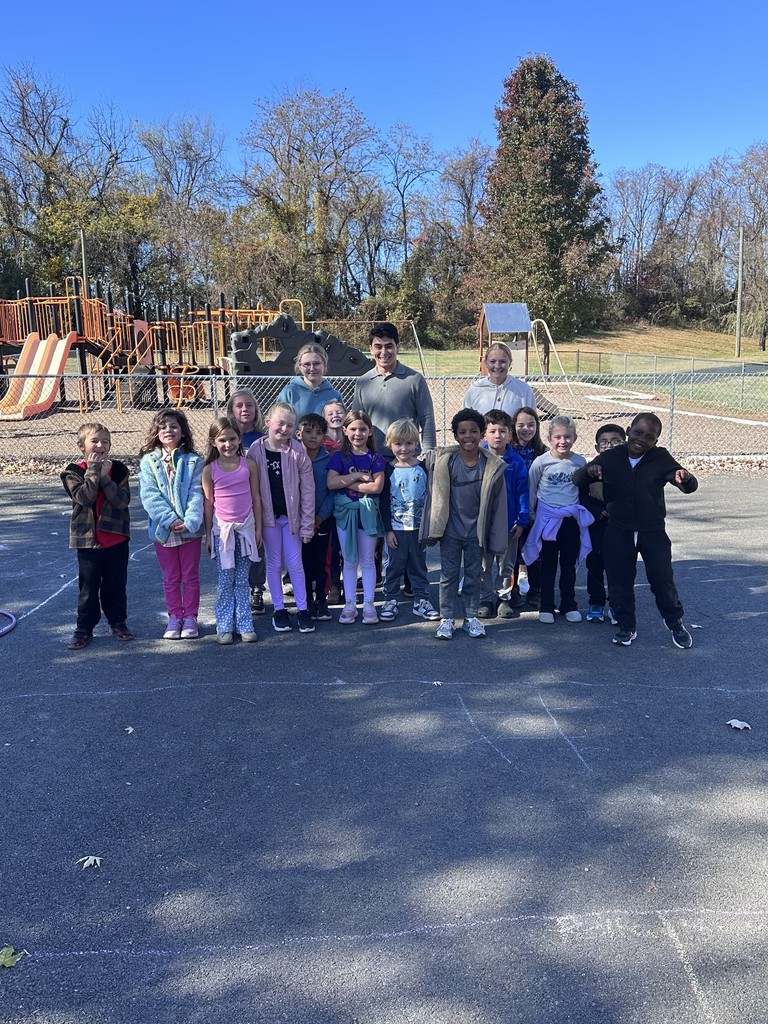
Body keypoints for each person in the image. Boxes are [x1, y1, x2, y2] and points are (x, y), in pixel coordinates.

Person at [574, 413, 698, 649]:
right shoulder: (610, 457)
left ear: (656, 441)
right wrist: (589, 472)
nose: (641, 439)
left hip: (652, 531)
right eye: (638, 433)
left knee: (662, 580)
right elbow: (577, 478)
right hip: (618, 530)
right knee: (620, 581)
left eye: (649, 437)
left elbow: (684, 482)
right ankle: (626, 625)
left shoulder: (660, 458)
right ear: (629, 430)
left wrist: (685, 478)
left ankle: (675, 623)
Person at [420, 408, 508, 640]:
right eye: (462, 432)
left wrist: (496, 536)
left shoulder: (492, 467)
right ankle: (447, 618)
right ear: (455, 435)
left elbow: (499, 506)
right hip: (450, 531)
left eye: (473, 431)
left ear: (481, 435)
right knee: (448, 576)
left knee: (473, 575)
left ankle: (471, 617)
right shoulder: (445, 462)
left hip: (475, 533)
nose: (468, 436)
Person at [61, 422, 134, 650]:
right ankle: (84, 628)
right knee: (88, 587)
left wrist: (105, 477)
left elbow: (122, 501)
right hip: (88, 541)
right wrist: (94, 471)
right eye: (94, 441)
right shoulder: (73, 471)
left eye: (105, 441)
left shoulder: (119, 470)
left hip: (116, 539)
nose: (100, 445)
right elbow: (85, 498)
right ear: (81, 445)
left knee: (115, 584)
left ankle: (118, 622)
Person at [247, 402, 316, 634]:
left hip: (292, 520)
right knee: (274, 564)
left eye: (289, 425)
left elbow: (307, 491)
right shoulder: (255, 451)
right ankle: (279, 609)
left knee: (296, 564)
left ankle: (303, 609)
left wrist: (307, 525)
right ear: (268, 421)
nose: (284, 429)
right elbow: (249, 490)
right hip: (268, 520)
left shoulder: (297, 452)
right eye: (280, 423)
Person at [138, 408, 205, 640]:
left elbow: (198, 493)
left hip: (189, 530)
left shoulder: (194, 461)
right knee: (171, 576)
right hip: (164, 530)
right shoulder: (148, 462)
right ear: (156, 432)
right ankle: (175, 616)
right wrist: (170, 519)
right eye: (163, 426)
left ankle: (191, 618)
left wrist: (191, 521)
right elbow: (149, 495)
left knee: (190, 575)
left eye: (174, 426)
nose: (169, 430)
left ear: (183, 432)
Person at [522, 416, 594, 625]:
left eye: (567, 437)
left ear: (575, 438)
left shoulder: (579, 462)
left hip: (570, 520)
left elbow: (582, 490)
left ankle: (568, 604)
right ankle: (546, 605)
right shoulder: (541, 462)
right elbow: (531, 489)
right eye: (558, 437)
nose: (563, 441)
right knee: (548, 564)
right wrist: (532, 515)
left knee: (568, 565)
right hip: (547, 520)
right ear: (549, 438)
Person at [202, 417, 262, 645]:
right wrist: (209, 534)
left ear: (240, 439)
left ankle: (245, 624)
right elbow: (209, 504)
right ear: (214, 442)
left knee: (242, 581)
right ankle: (224, 626)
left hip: (245, 531)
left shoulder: (249, 465)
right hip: (223, 533)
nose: (228, 444)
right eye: (222, 440)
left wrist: (257, 529)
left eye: (232, 439)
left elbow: (256, 497)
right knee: (226, 580)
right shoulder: (210, 469)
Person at [327, 410, 386, 625]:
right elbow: (331, 483)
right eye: (353, 429)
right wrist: (357, 477)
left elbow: (377, 487)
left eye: (362, 429)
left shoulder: (376, 457)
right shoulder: (339, 457)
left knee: (368, 559)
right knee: (349, 560)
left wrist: (349, 483)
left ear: (370, 431)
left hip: (367, 515)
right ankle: (350, 603)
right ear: (344, 431)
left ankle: (369, 603)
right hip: (346, 515)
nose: (358, 433)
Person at [378, 419, 440, 623]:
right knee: (394, 565)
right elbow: (384, 502)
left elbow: (432, 498)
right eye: (398, 444)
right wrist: (388, 530)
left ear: (416, 443)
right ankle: (390, 599)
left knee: (418, 565)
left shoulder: (424, 468)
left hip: (418, 529)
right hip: (397, 529)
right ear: (390, 444)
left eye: (409, 443)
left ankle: (422, 600)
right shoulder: (388, 471)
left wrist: (430, 525)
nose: (404, 448)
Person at [352, 322, 436, 458]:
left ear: (397, 347)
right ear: (371, 349)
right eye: (378, 347)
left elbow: (427, 419)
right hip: (373, 460)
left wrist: (429, 453)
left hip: (407, 458)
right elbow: (357, 421)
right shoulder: (363, 382)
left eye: (389, 346)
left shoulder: (414, 379)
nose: (383, 352)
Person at [478, 410, 529, 620]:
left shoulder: (515, 462)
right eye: (492, 431)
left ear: (510, 435)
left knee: (505, 564)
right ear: (484, 434)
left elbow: (523, 491)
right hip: (483, 524)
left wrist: (522, 519)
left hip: (509, 524)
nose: (497, 435)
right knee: (484, 563)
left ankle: (503, 598)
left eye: (502, 431)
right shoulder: (479, 459)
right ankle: (485, 598)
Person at [579, 423, 626, 624]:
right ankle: (596, 601)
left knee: (619, 568)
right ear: (597, 447)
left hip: (622, 527)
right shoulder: (590, 471)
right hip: (598, 527)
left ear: (625, 443)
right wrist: (599, 511)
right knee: (595, 565)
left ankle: (617, 604)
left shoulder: (630, 470)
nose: (610, 445)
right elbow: (582, 498)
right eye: (604, 442)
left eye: (616, 441)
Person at [227, 388, 267, 615]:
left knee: (256, 546)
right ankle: (234, 588)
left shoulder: (262, 438)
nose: (245, 409)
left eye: (249, 405)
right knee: (231, 548)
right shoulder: (225, 437)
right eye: (239, 405)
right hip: (231, 503)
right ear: (232, 410)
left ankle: (256, 588)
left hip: (257, 499)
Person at [296, 412, 334, 622]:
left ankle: (322, 599)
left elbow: (331, 493)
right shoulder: (292, 457)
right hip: (299, 521)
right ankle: (307, 601)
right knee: (304, 562)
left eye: (319, 433)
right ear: (298, 433)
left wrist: (320, 516)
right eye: (308, 431)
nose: (313, 436)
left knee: (321, 562)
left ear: (324, 437)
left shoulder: (328, 460)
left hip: (322, 520)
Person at [509, 406, 547, 609]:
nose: (526, 429)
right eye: (521, 424)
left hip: (538, 509)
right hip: (514, 508)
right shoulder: (508, 451)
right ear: (514, 427)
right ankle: (512, 590)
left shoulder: (544, 453)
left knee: (536, 551)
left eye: (531, 425)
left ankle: (536, 590)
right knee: (513, 552)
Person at [463, 342, 537, 418]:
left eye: (503, 361)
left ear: (510, 362)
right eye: (492, 361)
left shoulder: (524, 391)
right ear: (485, 363)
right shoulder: (475, 390)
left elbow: (531, 424)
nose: (497, 366)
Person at [276, 343, 343, 421]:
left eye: (316, 364)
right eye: (306, 364)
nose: (312, 368)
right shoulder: (289, 393)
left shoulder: (334, 395)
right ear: (300, 367)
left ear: (324, 365)